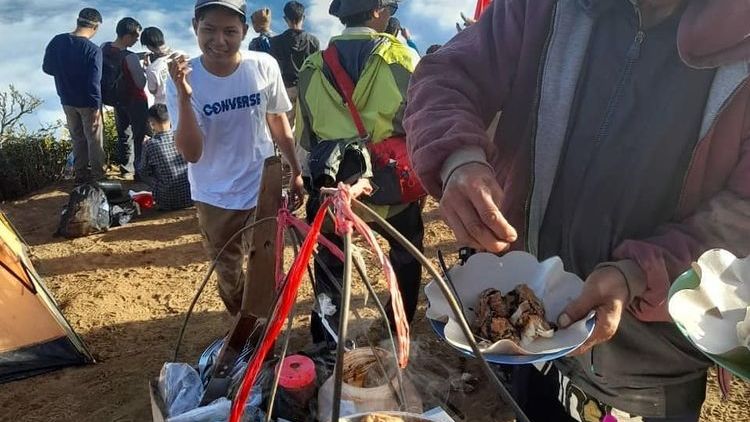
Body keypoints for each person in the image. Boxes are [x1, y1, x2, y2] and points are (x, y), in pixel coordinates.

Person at [405, 1, 750, 421]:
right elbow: (447, 75)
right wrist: (458, 158)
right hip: (532, 338)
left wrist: (638, 272)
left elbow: (740, 218)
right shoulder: (542, 8)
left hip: (647, 371)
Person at [296, 0, 423, 345]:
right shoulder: (402, 57)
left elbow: (306, 138)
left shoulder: (310, 68)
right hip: (393, 187)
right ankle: (398, 332)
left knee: (332, 262)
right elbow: (420, 120)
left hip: (337, 192)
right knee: (405, 255)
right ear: (379, 11)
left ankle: (326, 343)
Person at [167, 0, 304, 316]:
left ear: (244, 30)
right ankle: (244, 326)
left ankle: (266, 326)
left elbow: (277, 121)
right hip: (215, 196)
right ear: (194, 28)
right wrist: (186, 99)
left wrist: (295, 170)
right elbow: (192, 152)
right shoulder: (185, 78)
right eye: (209, 30)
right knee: (229, 275)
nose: (219, 40)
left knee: (267, 264)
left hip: (262, 187)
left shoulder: (262, 65)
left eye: (230, 31)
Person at [43, 8, 104, 184]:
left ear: (78, 22)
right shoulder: (92, 50)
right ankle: (98, 177)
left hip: (66, 99)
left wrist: (64, 74)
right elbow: (94, 82)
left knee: (77, 137)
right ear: (95, 27)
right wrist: (96, 107)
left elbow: (47, 68)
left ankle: (80, 174)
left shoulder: (58, 41)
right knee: (94, 140)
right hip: (87, 102)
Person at [101, 17, 148, 179]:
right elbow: (141, 83)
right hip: (136, 100)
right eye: (136, 37)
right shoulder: (130, 57)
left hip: (116, 99)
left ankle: (126, 168)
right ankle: (140, 171)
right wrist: (145, 69)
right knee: (139, 135)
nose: (137, 40)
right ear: (127, 36)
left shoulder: (104, 48)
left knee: (124, 134)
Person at [270, 1, 320, 122]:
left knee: (287, 127)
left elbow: (274, 69)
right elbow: (317, 68)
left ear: (285, 19)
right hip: (308, 89)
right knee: (307, 128)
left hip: (286, 89)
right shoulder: (313, 41)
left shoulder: (276, 41)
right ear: (303, 17)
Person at [137, 104, 192, 211]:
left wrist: (145, 145)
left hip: (167, 201)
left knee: (147, 168)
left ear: (152, 124)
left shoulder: (150, 144)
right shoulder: (182, 136)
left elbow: (143, 171)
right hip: (191, 196)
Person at [140, 27, 174, 106]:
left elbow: (153, 90)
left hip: (164, 107)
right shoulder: (180, 56)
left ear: (149, 47)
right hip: (184, 103)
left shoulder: (152, 69)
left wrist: (148, 69)